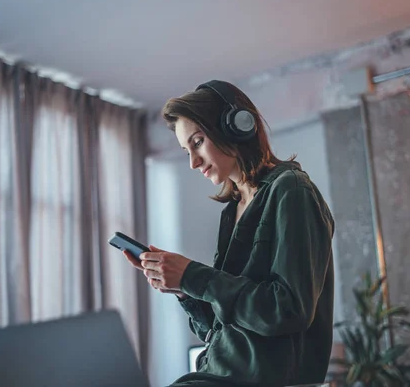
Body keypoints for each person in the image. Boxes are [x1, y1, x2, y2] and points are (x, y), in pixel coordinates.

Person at [122, 80, 335, 387]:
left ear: (237, 127)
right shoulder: (232, 210)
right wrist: (184, 289)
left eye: (197, 142)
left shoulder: (291, 190)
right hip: (219, 372)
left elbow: (289, 309)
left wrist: (194, 276)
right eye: (186, 151)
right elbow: (220, 327)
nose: (193, 162)